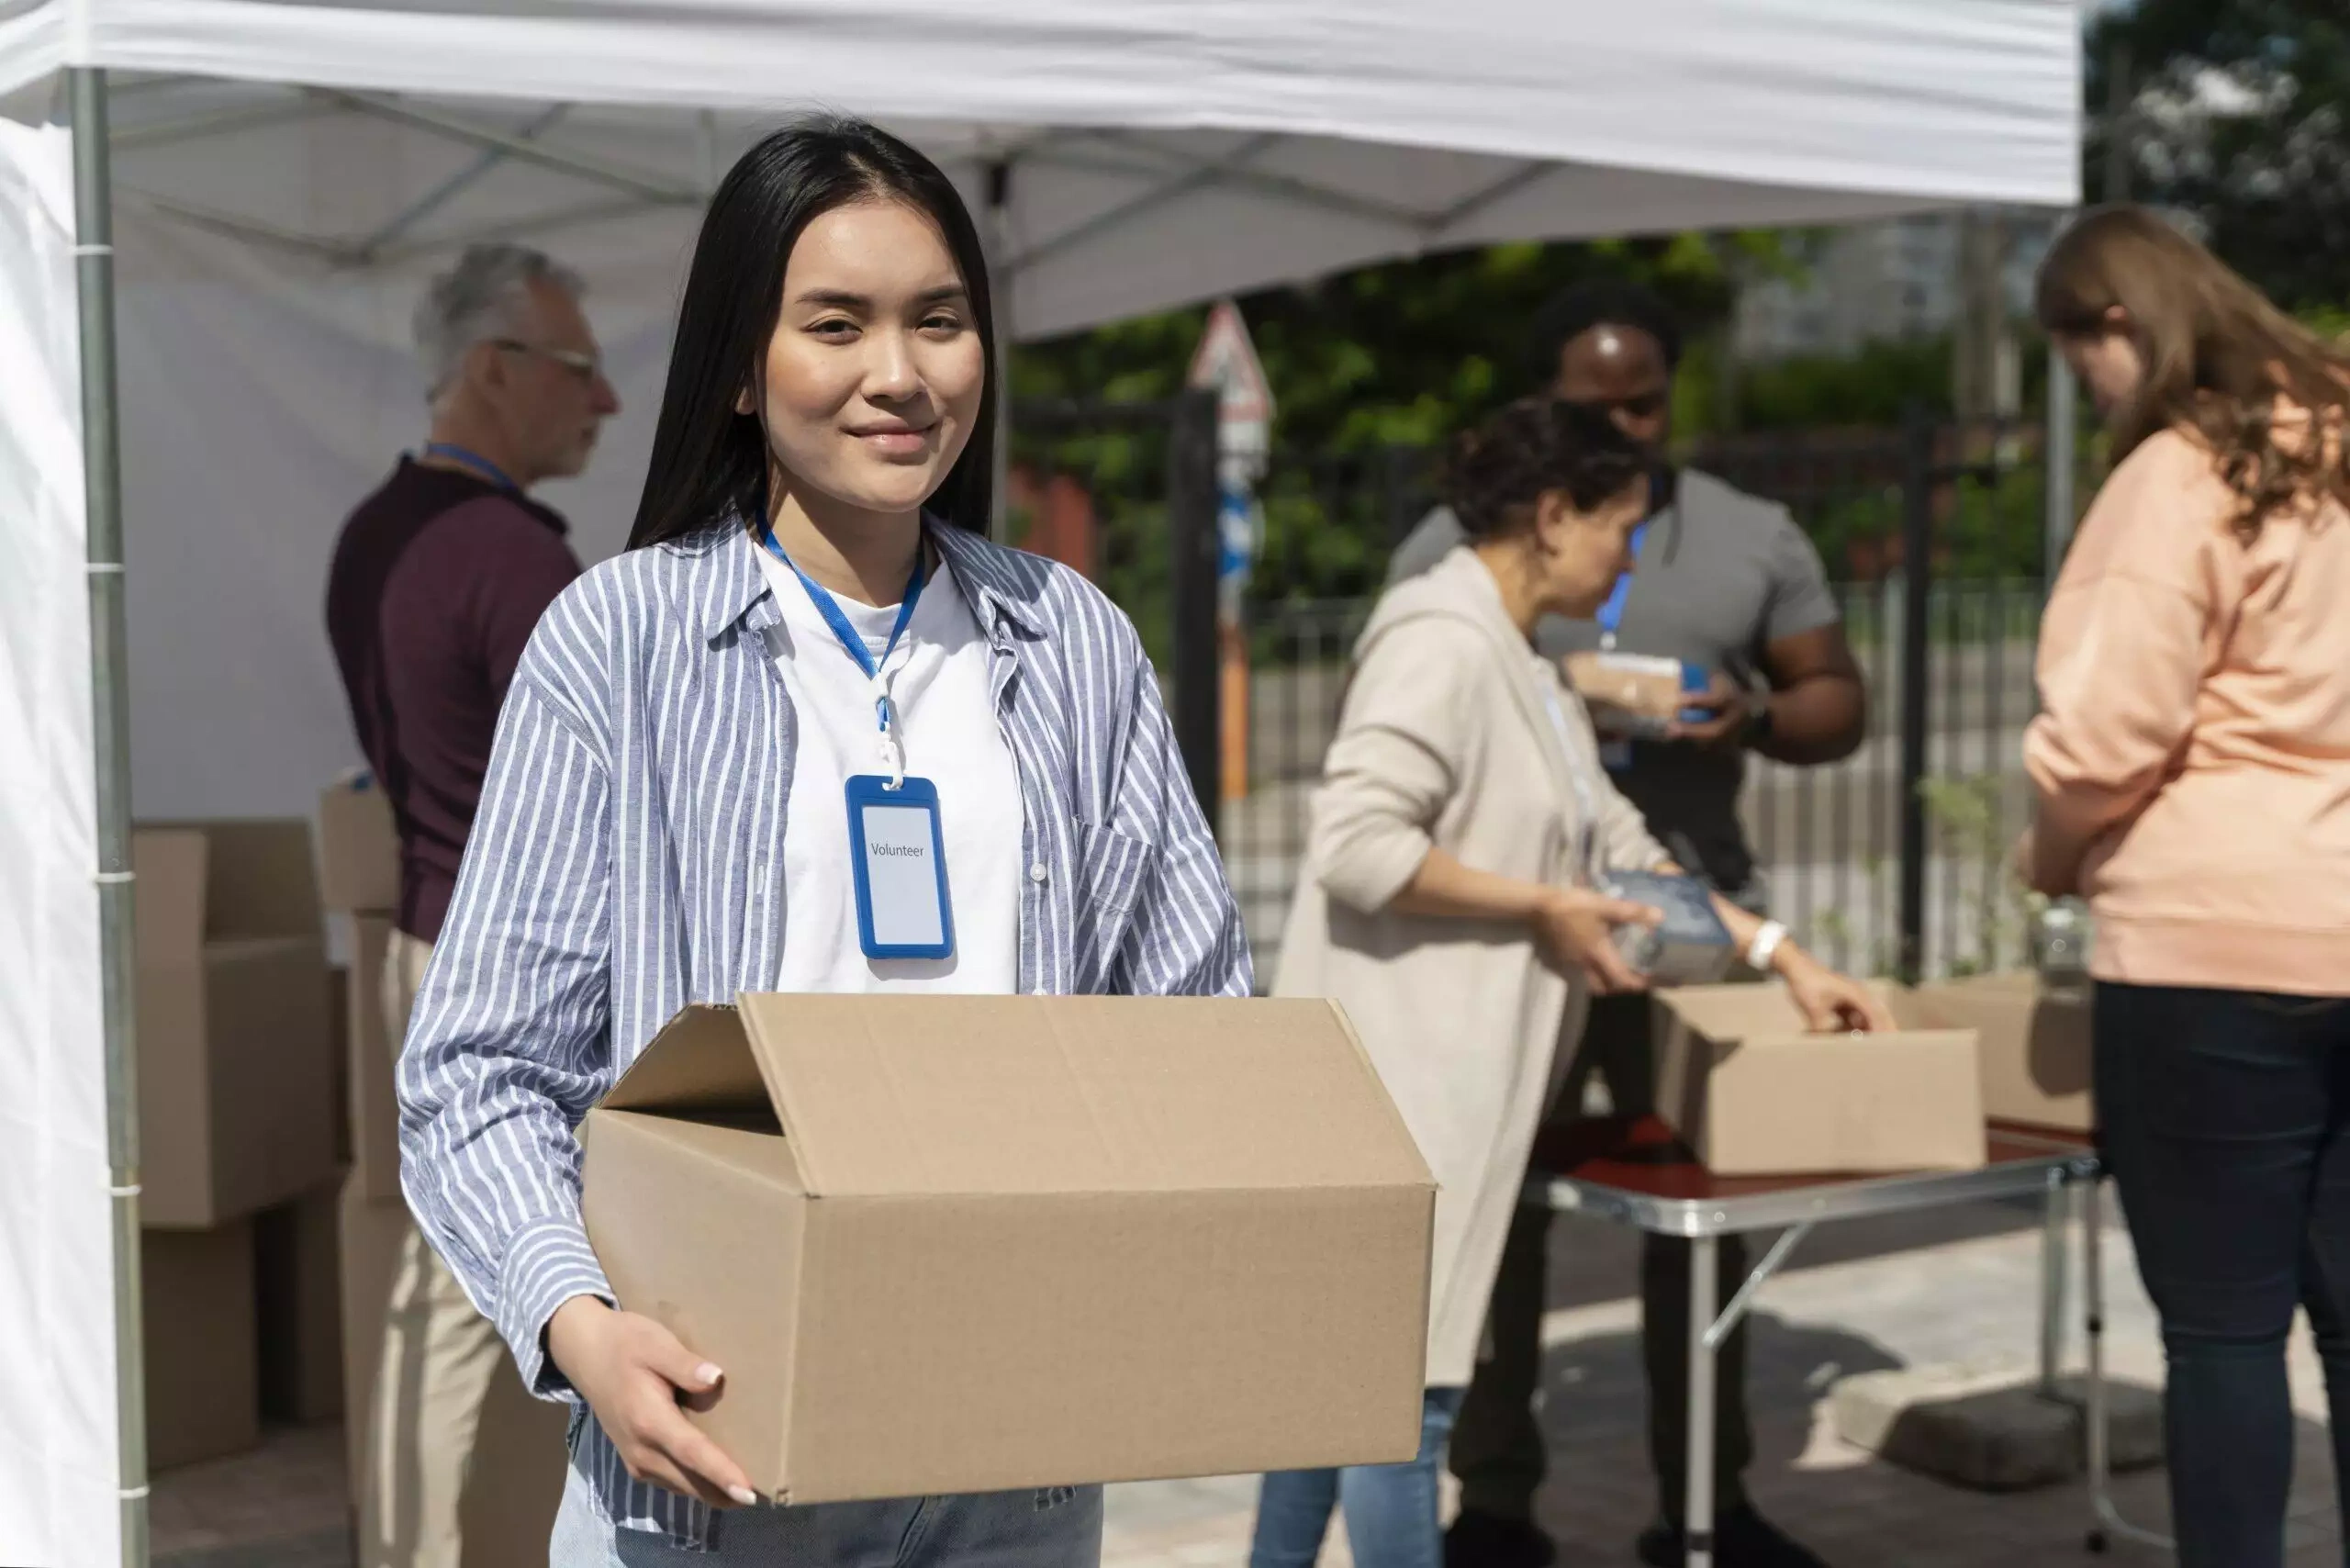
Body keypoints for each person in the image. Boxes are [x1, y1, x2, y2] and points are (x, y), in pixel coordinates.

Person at [394, 116, 1248, 1567]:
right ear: (739, 364)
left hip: (1016, 1452)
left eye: (940, 322)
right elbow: (478, 1070)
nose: (900, 375)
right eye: (835, 325)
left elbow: (1195, 1026)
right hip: (710, 1448)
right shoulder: (622, 642)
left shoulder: (1076, 643)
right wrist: (582, 1332)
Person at [1252, 397, 1890, 1568]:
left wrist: (1778, 954)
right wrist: (1541, 905)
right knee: (1402, 1413)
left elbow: (1626, 849)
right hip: (1398, 1096)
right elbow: (1356, 845)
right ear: (1552, 517)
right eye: (1620, 529)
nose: (1632, 558)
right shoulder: (1438, 639)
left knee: (1336, 1405)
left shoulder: (1526, 664)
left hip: (1446, 1097)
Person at [1389, 282, 1864, 1568]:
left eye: (1645, 401)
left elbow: (1841, 699)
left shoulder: (1751, 535)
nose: (1628, 427)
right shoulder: (1458, 539)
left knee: (1706, 1217)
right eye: (1597, 407)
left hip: (1688, 928)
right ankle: (1494, 1506)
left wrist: (1754, 715)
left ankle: (1706, 1504)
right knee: (1500, 1221)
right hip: (1518, 936)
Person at [2021, 204, 2350, 1568]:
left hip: (2209, 953)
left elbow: (2104, 736)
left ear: (2116, 321)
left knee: (2222, 1332)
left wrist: (2047, 855)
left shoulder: (2180, 472)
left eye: (2073, 355)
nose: (2084, 388)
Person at [324, 241, 620, 1568]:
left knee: (428, 1286)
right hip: (494, 972)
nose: (604, 401)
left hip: (417, 941)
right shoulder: (511, 561)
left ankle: (416, 1539)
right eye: (580, 369)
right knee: (467, 1293)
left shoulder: (376, 534)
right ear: (494, 370)